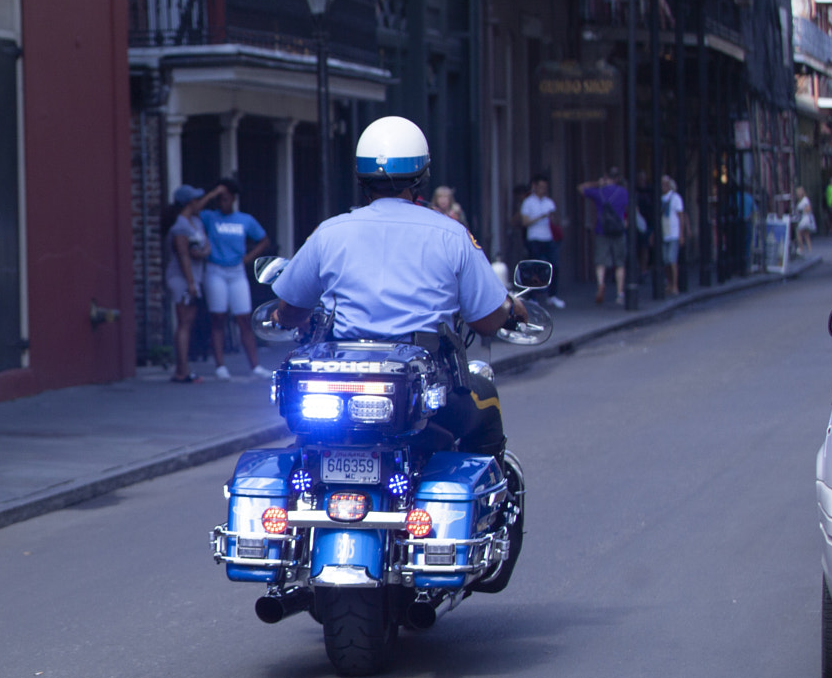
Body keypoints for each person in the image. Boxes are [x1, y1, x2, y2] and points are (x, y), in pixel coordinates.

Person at [270, 116, 523, 457]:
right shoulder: (451, 234)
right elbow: (487, 321)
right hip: (427, 395)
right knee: (487, 401)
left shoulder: (329, 232)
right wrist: (510, 311)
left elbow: (289, 312)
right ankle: (488, 506)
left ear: (361, 176)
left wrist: (284, 316)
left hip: (338, 395)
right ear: (421, 176)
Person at [197, 177, 275, 379]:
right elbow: (194, 211)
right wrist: (213, 193)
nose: (222, 201)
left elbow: (264, 239)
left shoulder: (244, 220)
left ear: (232, 198)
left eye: (225, 197)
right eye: (219, 198)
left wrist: (249, 257)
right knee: (218, 317)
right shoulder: (210, 217)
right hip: (215, 270)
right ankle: (220, 365)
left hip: (236, 271)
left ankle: (255, 365)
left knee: (243, 318)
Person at [162, 184, 208, 382]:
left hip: (194, 277)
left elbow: (206, 248)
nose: (200, 203)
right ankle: (183, 370)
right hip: (182, 279)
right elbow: (183, 256)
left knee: (187, 323)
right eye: (197, 200)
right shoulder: (179, 225)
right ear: (190, 203)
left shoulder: (196, 223)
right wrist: (191, 283)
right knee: (184, 324)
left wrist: (202, 253)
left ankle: (182, 368)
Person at [579, 166, 631, 306]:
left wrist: (597, 183)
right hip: (619, 230)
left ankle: (601, 283)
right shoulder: (623, 192)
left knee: (600, 261)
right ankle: (620, 293)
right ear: (617, 178)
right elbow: (629, 209)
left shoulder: (599, 192)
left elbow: (581, 188)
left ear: (606, 177)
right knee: (620, 263)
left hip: (602, 230)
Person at [517, 174, 567, 309]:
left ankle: (552, 296)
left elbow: (555, 222)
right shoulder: (528, 202)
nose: (543, 190)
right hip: (534, 239)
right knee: (535, 268)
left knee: (553, 266)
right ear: (535, 187)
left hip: (548, 238)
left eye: (545, 187)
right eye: (540, 187)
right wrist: (541, 216)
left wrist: (553, 218)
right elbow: (525, 222)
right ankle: (532, 297)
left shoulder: (549, 202)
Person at [660, 175, 689, 294]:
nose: (663, 186)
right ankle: (669, 283)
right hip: (663, 232)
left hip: (673, 233)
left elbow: (681, 216)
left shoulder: (676, 198)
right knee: (665, 260)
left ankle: (675, 285)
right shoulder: (661, 198)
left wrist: (681, 234)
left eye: (664, 184)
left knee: (672, 260)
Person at [796, 190, 815, 254]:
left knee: (798, 232)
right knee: (806, 234)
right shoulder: (802, 200)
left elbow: (809, 208)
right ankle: (809, 249)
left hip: (805, 219)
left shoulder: (805, 200)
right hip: (804, 219)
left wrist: (803, 211)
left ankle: (801, 248)